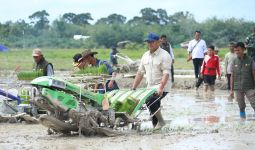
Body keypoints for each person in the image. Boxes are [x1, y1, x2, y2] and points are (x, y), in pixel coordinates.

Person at [132, 32, 172, 130]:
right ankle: (156, 127)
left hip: (162, 85)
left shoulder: (164, 55)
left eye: (152, 42)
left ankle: (161, 122)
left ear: (158, 42)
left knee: (151, 101)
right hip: (150, 86)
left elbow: (166, 73)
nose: (150, 44)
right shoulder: (145, 55)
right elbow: (140, 73)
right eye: (148, 42)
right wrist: (133, 87)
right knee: (152, 105)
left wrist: (161, 88)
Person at [230, 42, 255, 119]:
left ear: (244, 49)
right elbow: (232, 76)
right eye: (235, 50)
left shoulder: (250, 60)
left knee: (254, 103)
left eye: (238, 50)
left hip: (249, 86)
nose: (237, 52)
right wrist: (231, 90)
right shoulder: (234, 61)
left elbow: (254, 74)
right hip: (238, 87)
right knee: (241, 105)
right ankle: (242, 120)